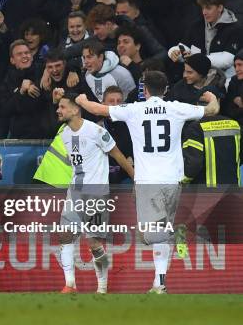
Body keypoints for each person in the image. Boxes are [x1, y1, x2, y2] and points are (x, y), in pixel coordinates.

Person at [75, 70, 220, 294]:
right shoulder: (176, 107)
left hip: (148, 180)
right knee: (153, 233)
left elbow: (97, 109)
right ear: (165, 90)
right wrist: (211, 98)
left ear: (145, 90)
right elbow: (212, 110)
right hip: (173, 179)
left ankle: (175, 235)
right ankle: (159, 282)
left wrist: (81, 99)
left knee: (150, 234)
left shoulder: (135, 109)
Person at [54, 91, 133, 294]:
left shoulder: (96, 131)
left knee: (94, 242)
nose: (58, 110)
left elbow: (118, 155)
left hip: (96, 193)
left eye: (62, 107)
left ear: (75, 109)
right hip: (75, 192)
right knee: (65, 236)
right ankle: (69, 284)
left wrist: (136, 179)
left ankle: (102, 287)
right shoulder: (64, 134)